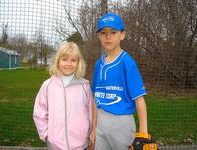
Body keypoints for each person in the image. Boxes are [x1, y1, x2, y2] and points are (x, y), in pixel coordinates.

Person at [90, 13, 148, 150]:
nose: (108, 37)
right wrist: (93, 127)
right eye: (103, 33)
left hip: (121, 122)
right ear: (99, 36)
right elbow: (95, 98)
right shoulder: (99, 64)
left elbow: (139, 100)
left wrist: (143, 133)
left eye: (113, 32)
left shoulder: (127, 62)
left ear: (122, 35)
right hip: (100, 121)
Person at [33, 42, 94, 150]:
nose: (69, 64)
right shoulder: (48, 85)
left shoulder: (84, 86)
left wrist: (89, 133)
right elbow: (39, 113)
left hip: (80, 144)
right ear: (58, 61)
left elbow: (90, 113)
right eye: (64, 59)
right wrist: (47, 135)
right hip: (55, 144)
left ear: (79, 62)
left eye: (73, 60)